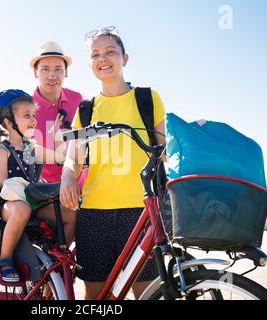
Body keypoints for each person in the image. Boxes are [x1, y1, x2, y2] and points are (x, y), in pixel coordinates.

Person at [59, 26, 167, 299]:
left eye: (110, 52)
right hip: (94, 213)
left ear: (125, 59)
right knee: (97, 295)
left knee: (145, 293)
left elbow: (165, 149)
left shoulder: (148, 99)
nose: (102, 58)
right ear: (90, 63)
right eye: (95, 54)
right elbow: (74, 160)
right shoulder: (86, 109)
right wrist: (68, 177)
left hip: (140, 211)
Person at [0, 89, 76, 283]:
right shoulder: (1, 150)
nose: (33, 120)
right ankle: (5, 260)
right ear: (9, 122)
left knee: (70, 211)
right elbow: (1, 185)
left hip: (33, 201)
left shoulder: (31, 148)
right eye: (27, 115)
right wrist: (24, 190)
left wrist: (56, 138)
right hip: (9, 204)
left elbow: (61, 158)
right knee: (22, 209)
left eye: (34, 115)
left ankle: (57, 256)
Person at [0, 41, 83, 183]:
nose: (52, 75)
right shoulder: (24, 109)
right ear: (35, 72)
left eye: (58, 69)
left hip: (79, 182)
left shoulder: (77, 99)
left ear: (66, 72)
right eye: (45, 69)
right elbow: (14, 147)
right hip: (41, 188)